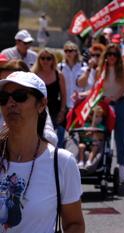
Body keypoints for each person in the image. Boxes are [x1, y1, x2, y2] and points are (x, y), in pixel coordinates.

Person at [0, 71, 85, 232]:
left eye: (20, 96)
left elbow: (75, 224)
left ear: (41, 104)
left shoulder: (61, 162)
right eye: (3, 98)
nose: (10, 103)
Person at [98, 43, 124, 184]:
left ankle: (122, 166)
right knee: (100, 133)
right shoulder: (102, 68)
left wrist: (113, 98)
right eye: (109, 54)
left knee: (120, 135)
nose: (111, 57)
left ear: (118, 56)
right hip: (104, 103)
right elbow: (97, 85)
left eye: (114, 55)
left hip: (119, 103)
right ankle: (98, 162)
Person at [32, 48, 67, 147]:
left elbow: (64, 95)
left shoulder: (59, 74)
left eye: (48, 58)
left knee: (59, 134)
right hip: (38, 110)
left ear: (53, 60)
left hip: (55, 109)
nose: (45, 61)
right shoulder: (34, 74)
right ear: (38, 59)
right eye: (42, 58)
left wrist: (62, 111)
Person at [59, 42, 86, 115]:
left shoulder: (83, 66)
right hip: (65, 105)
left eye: (70, 51)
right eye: (66, 51)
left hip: (80, 103)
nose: (68, 53)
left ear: (76, 52)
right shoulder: (60, 67)